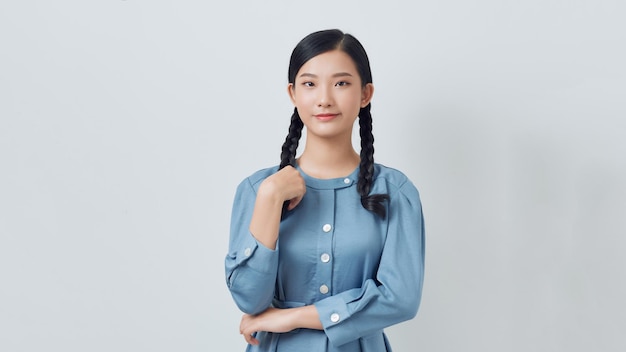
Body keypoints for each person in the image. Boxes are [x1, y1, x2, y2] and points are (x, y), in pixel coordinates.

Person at [225, 29, 425, 352]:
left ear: (365, 93)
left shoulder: (395, 192)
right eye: (309, 83)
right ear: (292, 93)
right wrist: (270, 197)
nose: (324, 99)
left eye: (341, 83)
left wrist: (292, 317)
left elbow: (400, 299)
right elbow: (248, 298)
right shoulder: (257, 190)